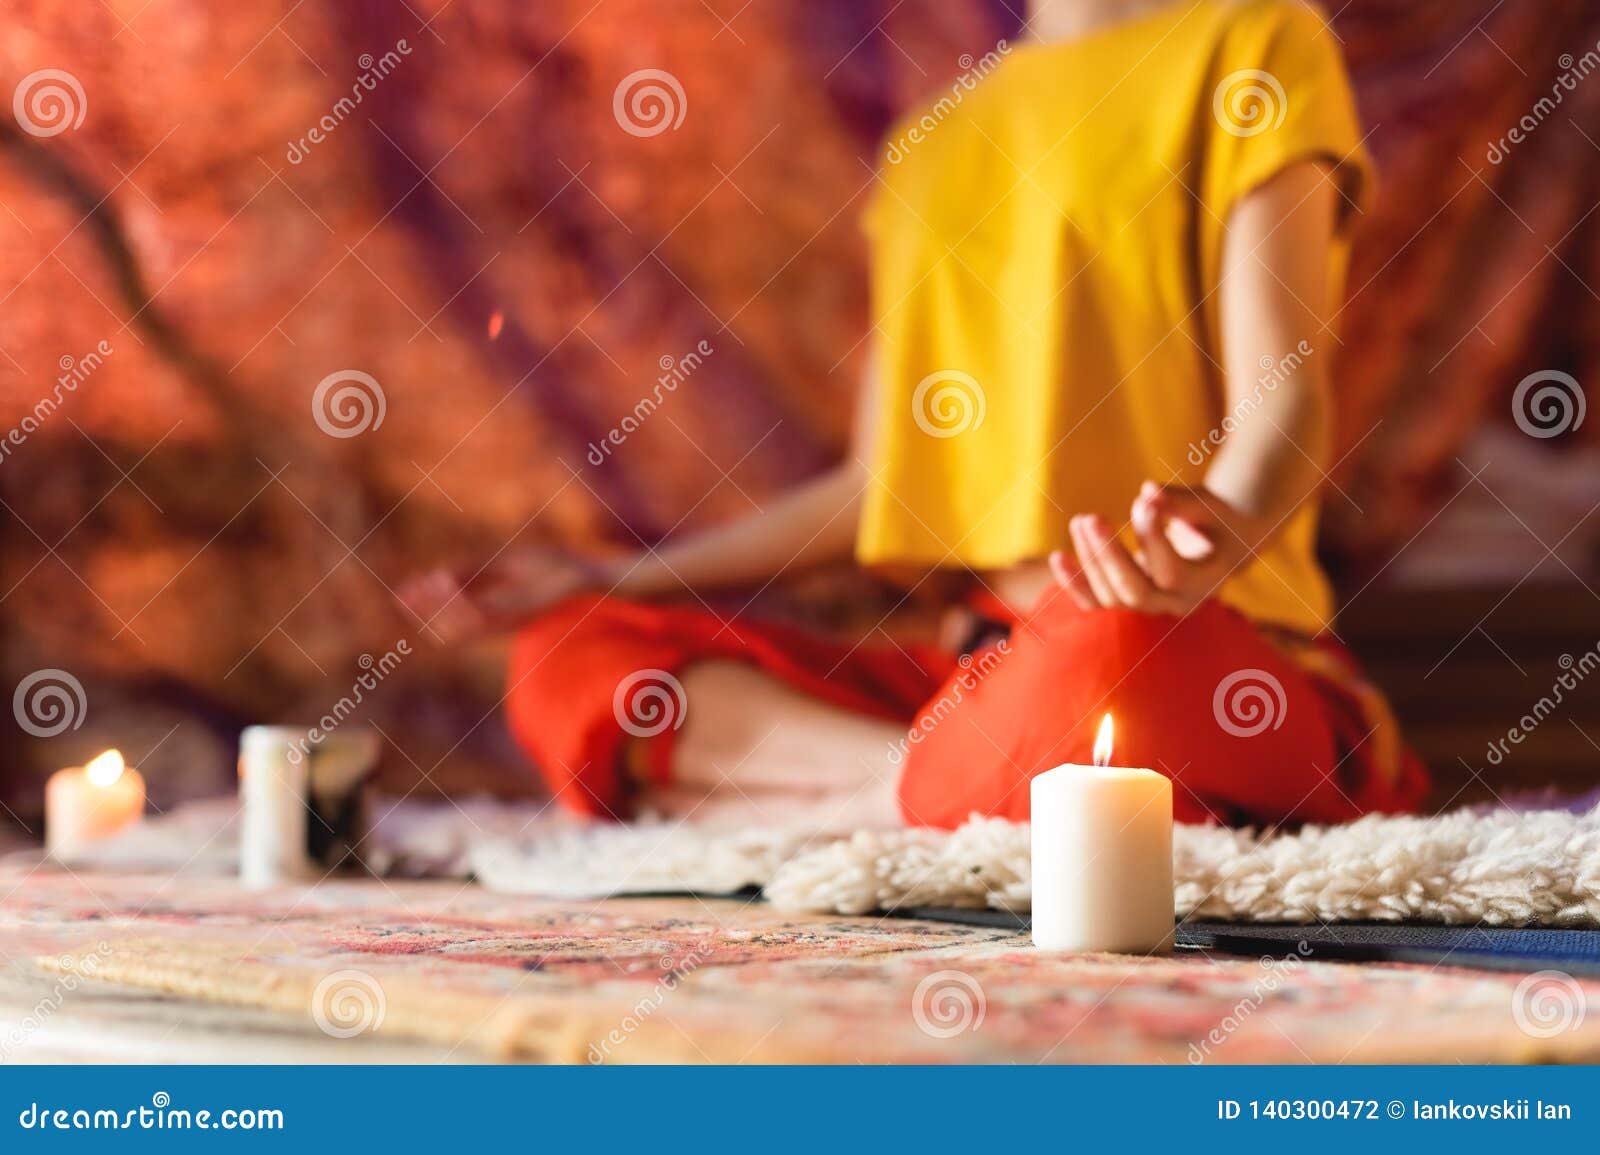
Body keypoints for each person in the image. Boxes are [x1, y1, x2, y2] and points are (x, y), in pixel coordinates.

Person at [399, 0, 1429, 831]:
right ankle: (943, 785)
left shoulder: (1254, 38)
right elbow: (875, 489)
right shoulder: (936, 144)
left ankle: (931, 791)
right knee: (567, 652)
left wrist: (1218, 537)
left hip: (1178, 646)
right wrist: (607, 579)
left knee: (1103, 664)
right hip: (974, 675)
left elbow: (1281, 395)